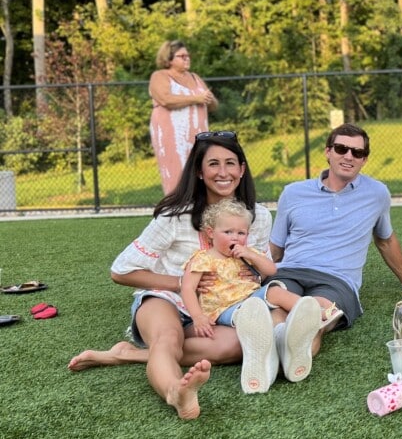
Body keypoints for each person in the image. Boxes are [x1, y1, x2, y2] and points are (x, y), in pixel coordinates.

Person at [68, 132, 271, 419]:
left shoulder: (258, 216)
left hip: (219, 307)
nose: (223, 172)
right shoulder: (174, 216)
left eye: (230, 163)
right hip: (166, 298)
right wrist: (177, 284)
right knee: (167, 337)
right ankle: (176, 391)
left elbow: (261, 268)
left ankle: (128, 354)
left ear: (242, 169)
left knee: (238, 344)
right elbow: (120, 271)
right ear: (199, 172)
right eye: (213, 164)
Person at [230, 122, 402, 387]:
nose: (349, 156)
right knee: (278, 312)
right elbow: (276, 248)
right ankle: (274, 355)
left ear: (364, 159)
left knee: (316, 317)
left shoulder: (377, 194)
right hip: (290, 270)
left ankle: (274, 359)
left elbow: (385, 240)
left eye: (357, 152)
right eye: (342, 148)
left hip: (337, 280)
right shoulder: (293, 193)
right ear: (328, 152)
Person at [179, 199, 343, 393]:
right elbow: (187, 289)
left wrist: (252, 256)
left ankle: (314, 312)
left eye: (241, 233)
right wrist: (198, 317)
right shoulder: (202, 259)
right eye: (228, 232)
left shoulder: (246, 254)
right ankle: (260, 348)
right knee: (251, 313)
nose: (235, 238)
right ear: (210, 233)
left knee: (275, 291)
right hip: (225, 308)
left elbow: (271, 270)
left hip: (251, 296)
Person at [149, 40, 219, 194]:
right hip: (172, 136)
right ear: (169, 59)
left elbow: (213, 104)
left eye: (188, 55)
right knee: (177, 175)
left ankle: (199, 212)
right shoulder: (160, 76)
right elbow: (165, 99)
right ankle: (176, 212)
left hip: (198, 137)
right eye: (182, 56)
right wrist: (196, 98)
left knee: (200, 174)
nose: (187, 58)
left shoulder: (195, 77)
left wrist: (209, 99)